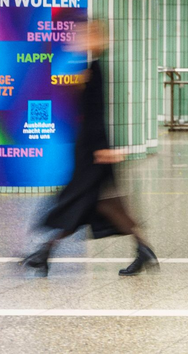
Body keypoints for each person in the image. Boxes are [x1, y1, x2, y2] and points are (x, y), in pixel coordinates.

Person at [21, 20, 158, 277]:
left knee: (78, 202)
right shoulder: (90, 68)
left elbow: (95, 115)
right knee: (101, 205)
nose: (80, 39)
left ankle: (44, 252)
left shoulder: (95, 69)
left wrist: (102, 149)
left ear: (97, 40)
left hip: (92, 152)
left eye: (86, 36)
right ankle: (143, 251)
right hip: (92, 150)